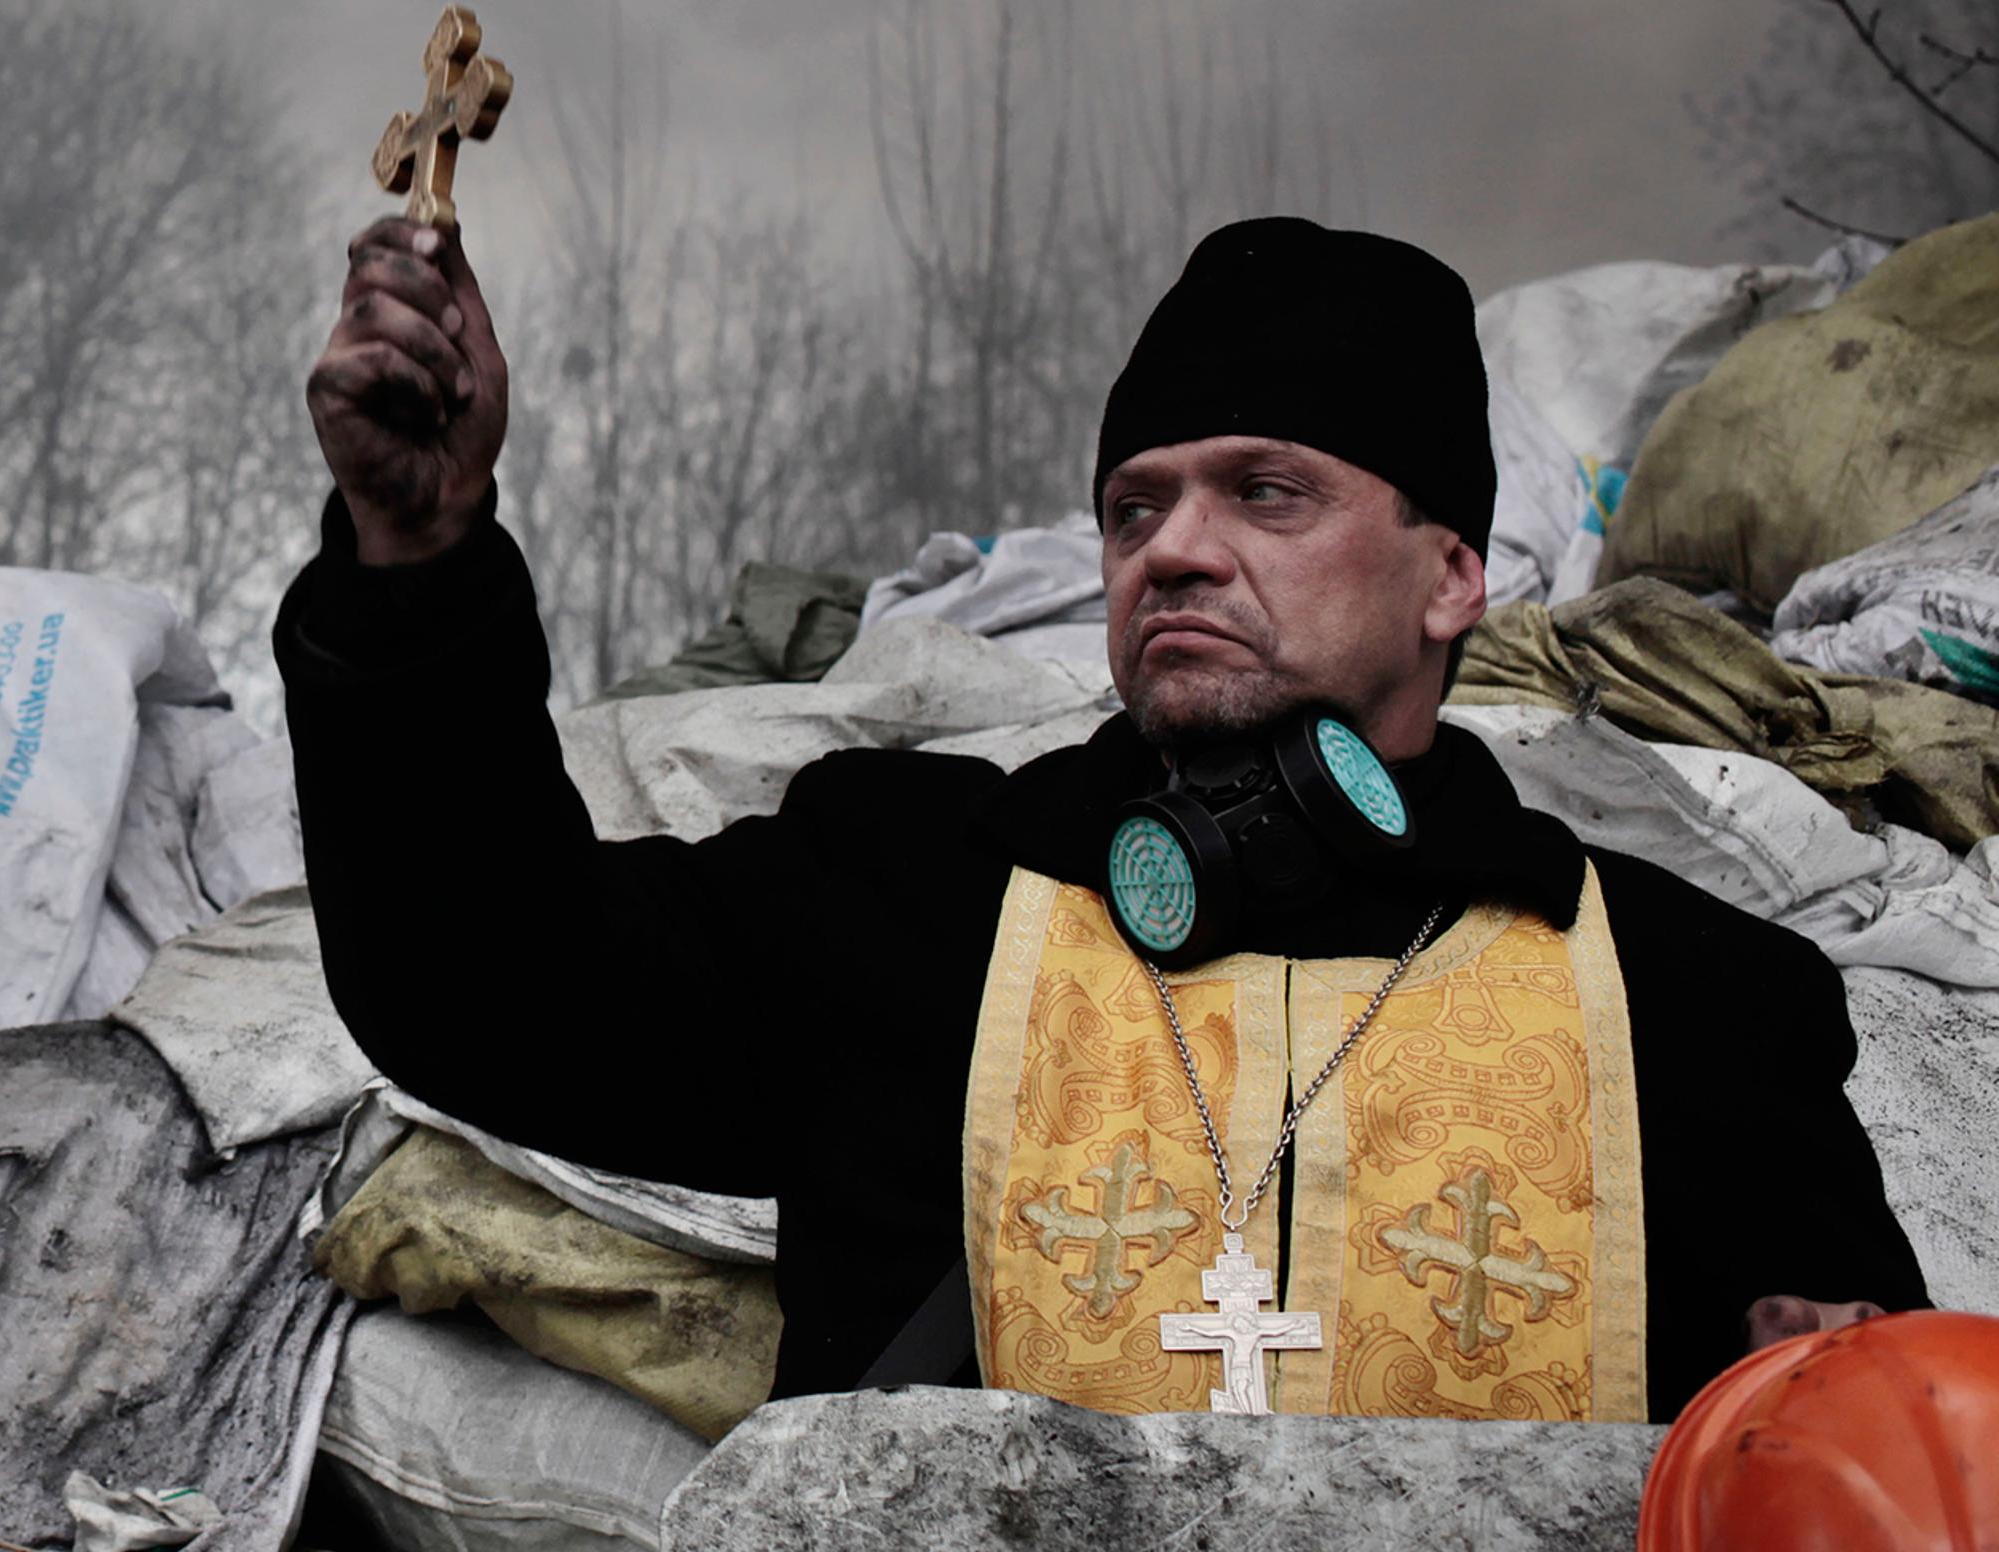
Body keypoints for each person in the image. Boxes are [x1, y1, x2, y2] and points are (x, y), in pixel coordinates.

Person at [284, 211, 1928, 1421]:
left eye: (1266, 491)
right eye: (1135, 506)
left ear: (1452, 576)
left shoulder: (1697, 1006)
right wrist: (415, 555)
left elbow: (1849, 1444)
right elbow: (482, 981)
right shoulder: (907, 898)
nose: (1176, 550)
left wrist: (1844, 1384)